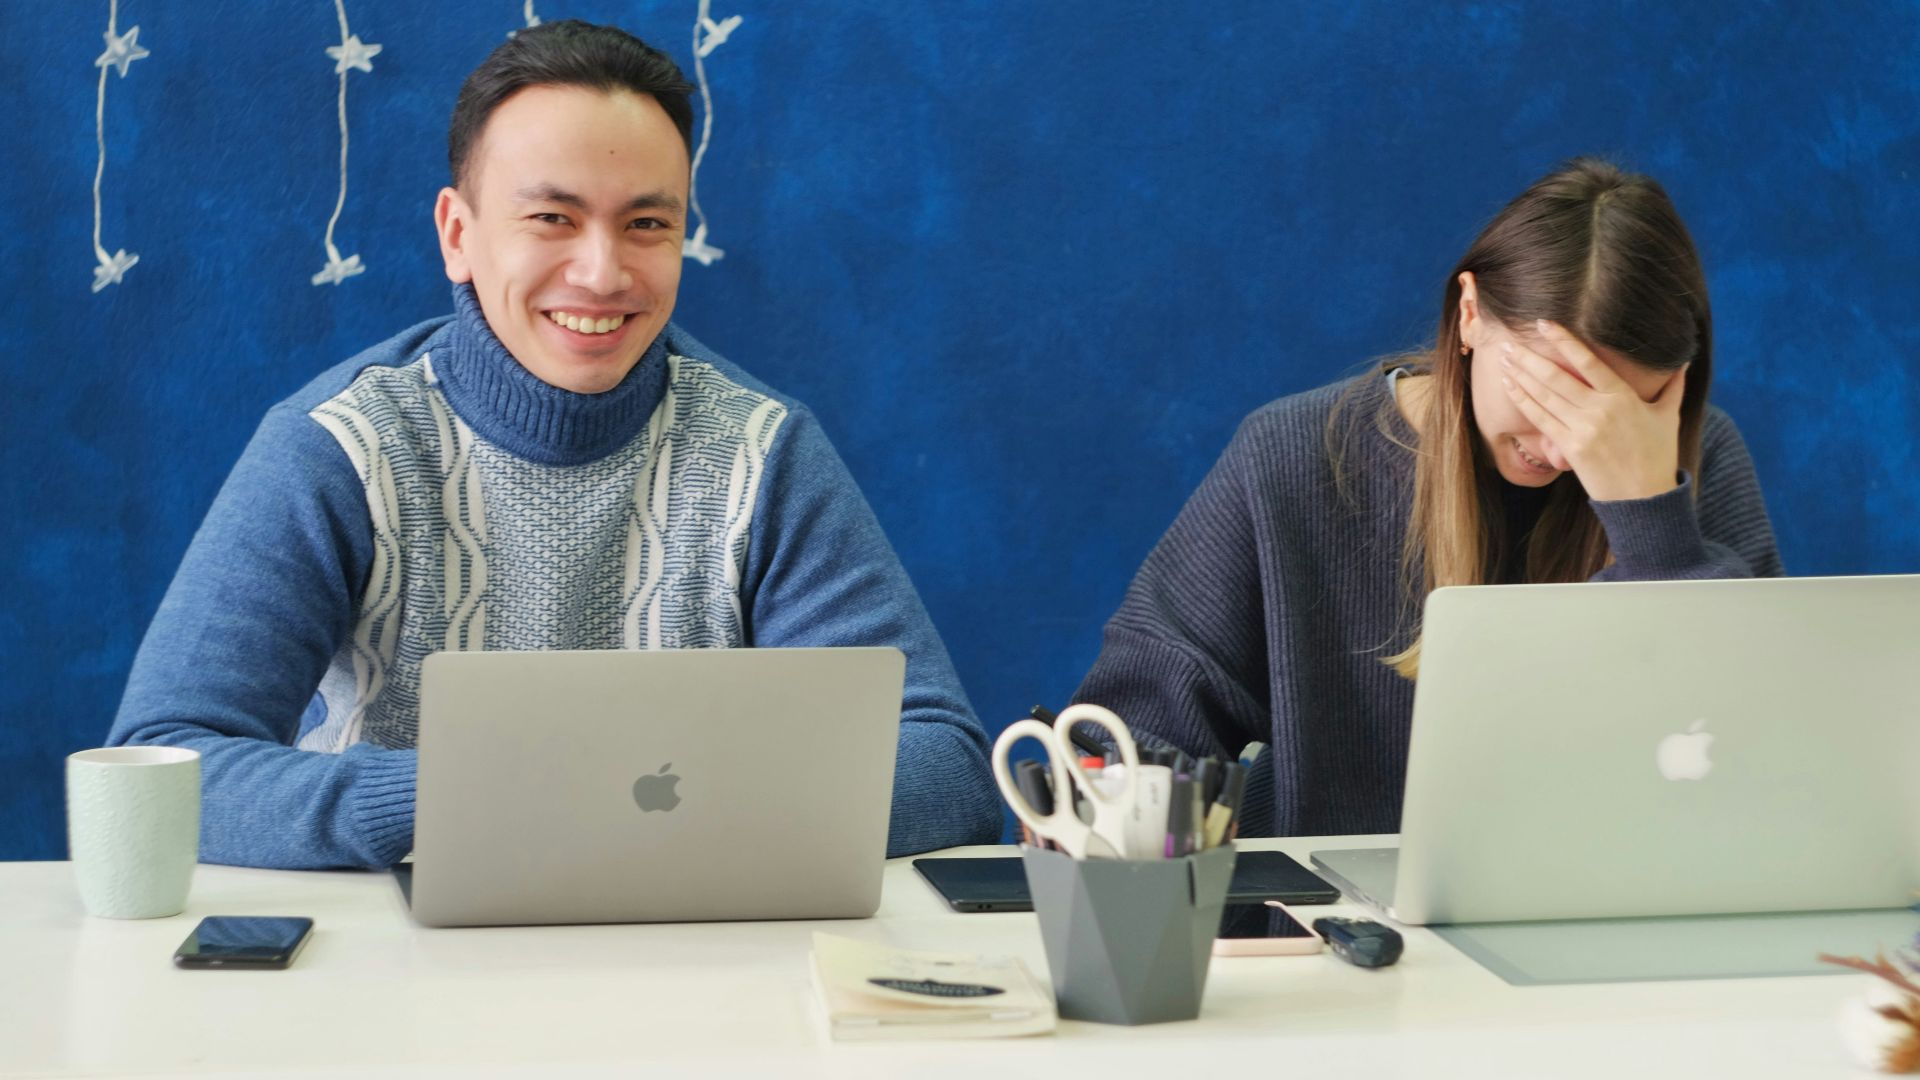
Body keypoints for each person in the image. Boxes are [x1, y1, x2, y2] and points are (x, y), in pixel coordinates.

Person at [108, 21, 1000, 868]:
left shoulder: (763, 452)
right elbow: (165, 764)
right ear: (460, 235)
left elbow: (945, 763)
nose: (603, 273)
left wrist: (620, 803)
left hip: (694, 957)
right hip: (399, 964)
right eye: (553, 219)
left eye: (647, 224)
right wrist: (464, 800)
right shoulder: (340, 445)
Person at [1073, 158, 1783, 838]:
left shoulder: (1695, 459)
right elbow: (1126, 741)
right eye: (1547, 394)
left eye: (1624, 411)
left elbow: (1766, 773)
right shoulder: (1293, 456)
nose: (1568, 451)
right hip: (1339, 942)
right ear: (1470, 314)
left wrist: (1649, 516)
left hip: (1630, 932)